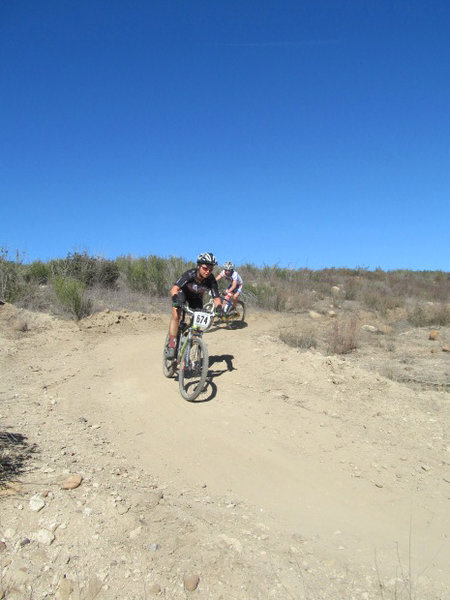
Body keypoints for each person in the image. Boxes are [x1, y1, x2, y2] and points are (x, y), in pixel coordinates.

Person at [164, 252, 222, 358]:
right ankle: (172, 345)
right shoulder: (190, 274)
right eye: (205, 268)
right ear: (198, 266)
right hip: (183, 294)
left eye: (211, 269)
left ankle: (188, 342)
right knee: (176, 314)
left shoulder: (211, 280)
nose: (208, 271)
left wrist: (219, 308)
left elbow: (216, 298)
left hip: (196, 298)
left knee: (197, 326)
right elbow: (174, 289)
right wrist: (176, 299)